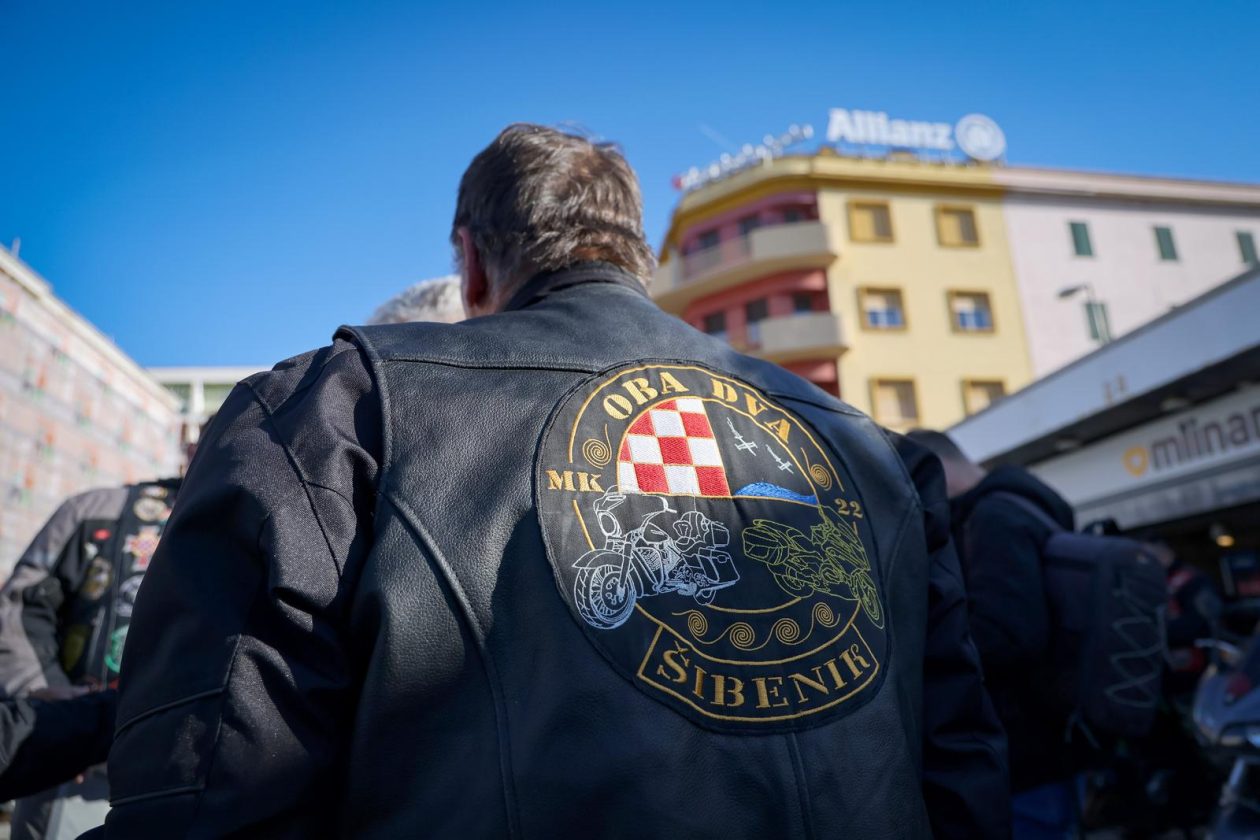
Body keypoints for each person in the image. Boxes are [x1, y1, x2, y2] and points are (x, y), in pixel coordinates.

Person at [101, 124, 1008, 838]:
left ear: (472, 261)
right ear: (634, 254)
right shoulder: (880, 456)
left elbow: (209, 790)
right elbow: (962, 773)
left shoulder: (339, 410)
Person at [906, 429, 1078, 836]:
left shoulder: (993, 519)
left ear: (935, 470)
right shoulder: (1028, 505)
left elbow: (1008, 632)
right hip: (1049, 737)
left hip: (1025, 752)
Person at [0, 479, 179, 839]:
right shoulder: (98, 510)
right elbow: (21, 614)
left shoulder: (256, 520)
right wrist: (58, 720)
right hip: (72, 773)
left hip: (182, 777)